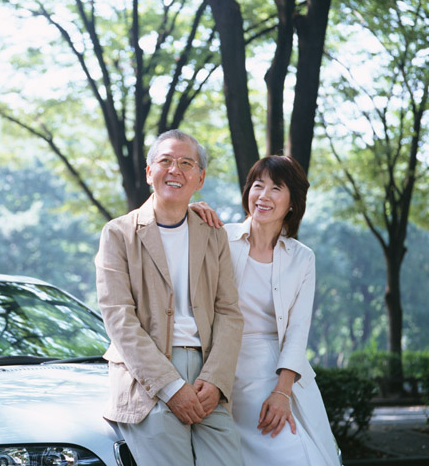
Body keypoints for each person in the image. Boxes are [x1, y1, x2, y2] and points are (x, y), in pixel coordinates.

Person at [95, 130, 244, 465]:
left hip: (208, 373)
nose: (174, 170)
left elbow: (229, 312)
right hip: (147, 379)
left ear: (200, 178)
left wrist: (216, 380)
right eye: (165, 161)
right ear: (150, 172)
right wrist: (170, 386)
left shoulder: (213, 233)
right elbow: (119, 318)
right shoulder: (118, 234)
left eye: (186, 163)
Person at [190, 155, 338, 465]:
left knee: (293, 453)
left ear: (292, 202)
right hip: (222, 365)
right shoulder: (219, 236)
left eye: (276, 188)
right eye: (258, 186)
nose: (263, 196)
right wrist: (190, 211)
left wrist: (282, 392)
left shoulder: (302, 257)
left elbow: (298, 330)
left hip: (275, 373)